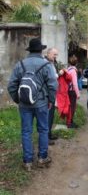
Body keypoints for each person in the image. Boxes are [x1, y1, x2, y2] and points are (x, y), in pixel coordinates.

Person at [8, 38, 58, 171]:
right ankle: (42, 158)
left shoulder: (21, 64)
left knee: (26, 131)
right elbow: (53, 86)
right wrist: (51, 101)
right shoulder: (46, 65)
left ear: (29, 50)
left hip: (25, 105)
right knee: (43, 130)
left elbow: (11, 85)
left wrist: (18, 100)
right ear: (41, 50)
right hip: (42, 104)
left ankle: (27, 162)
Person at [45, 48, 59, 145]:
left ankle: (49, 134)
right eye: (54, 54)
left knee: (51, 115)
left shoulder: (52, 63)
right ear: (48, 53)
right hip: (47, 94)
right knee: (48, 116)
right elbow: (51, 78)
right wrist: (59, 75)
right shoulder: (45, 64)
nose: (55, 57)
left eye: (56, 55)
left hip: (52, 94)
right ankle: (46, 137)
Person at [67, 55, 80, 128]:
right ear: (76, 63)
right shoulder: (73, 71)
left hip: (68, 90)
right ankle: (70, 122)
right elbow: (75, 83)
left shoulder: (68, 69)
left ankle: (69, 121)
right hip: (72, 91)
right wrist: (78, 94)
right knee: (72, 107)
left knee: (69, 106)